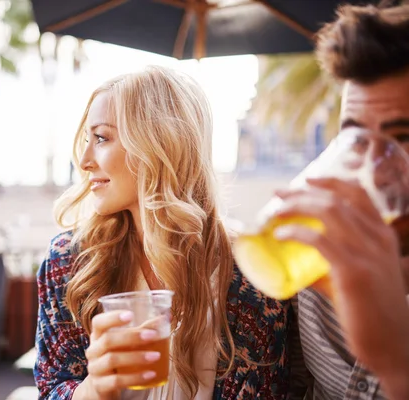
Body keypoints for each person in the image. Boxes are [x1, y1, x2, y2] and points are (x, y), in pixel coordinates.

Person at [34, 66, 295, 399]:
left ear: (158, 145)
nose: (84, 161)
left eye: (101, 138)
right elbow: (52, 387)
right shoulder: (68, 262)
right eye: (87, 139)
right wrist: (93, 390)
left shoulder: (249, 271)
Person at [279, 4, 409, 399]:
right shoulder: (319, 264)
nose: (373, 167)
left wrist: (397, 363)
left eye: (402, 138)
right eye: (356, 138)